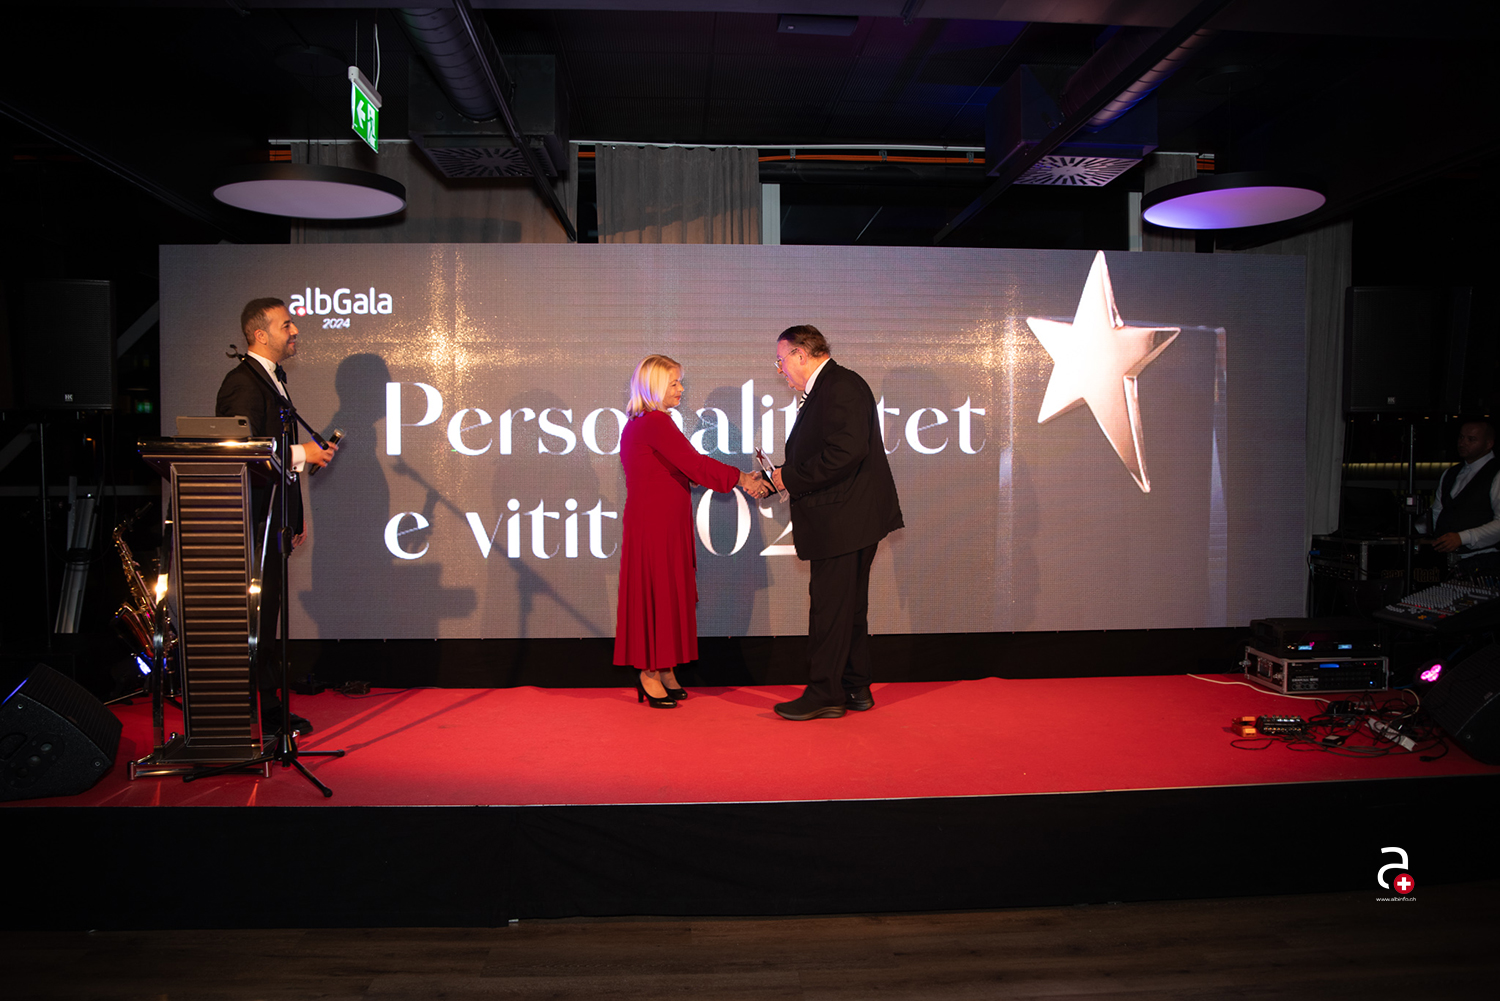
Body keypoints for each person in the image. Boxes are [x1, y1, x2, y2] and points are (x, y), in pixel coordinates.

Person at [614, 354, 768, 707]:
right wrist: (742, 478)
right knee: (658, 593)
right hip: (655, 525)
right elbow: (694, 464)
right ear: (654, 387)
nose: (681, 389)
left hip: (665, 522)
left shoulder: (650, 422)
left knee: (670, 592)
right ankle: (649, 672)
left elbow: (679, 469)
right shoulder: (654, 422)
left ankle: (664, 666)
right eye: (674, 383)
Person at [216, 298, 338, 735]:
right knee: (258, 615)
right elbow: (242, 453)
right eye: (286, 325)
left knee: (268, 613)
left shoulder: (271, 379)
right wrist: (304, 452)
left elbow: (275, 457)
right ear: (259, 334)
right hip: (252, 521)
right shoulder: (243, 383)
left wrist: (294, 514)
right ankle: (262, 710)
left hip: (273, 517)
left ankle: (267, 706)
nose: (295, 331)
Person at [769, 325, 903, 720]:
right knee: (848, 608)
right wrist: (782, 476)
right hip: (848, 518)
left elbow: (845, 452)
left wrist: (789, 477)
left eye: (781, 360)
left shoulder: (839, 386)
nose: (780, 370)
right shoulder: (835, 385)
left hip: (843, 519)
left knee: (830, 609)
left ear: (801, 354)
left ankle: (825, 694)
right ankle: (855, 686)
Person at [1429, 419, 1500, 575]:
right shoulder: (1450, 473)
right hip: (1448, 561)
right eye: (1461, 437)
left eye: (1471, 439)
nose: (1463, 443)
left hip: (1486, 561)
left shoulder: (1496, 472)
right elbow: (1437, 513)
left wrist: (1462, 538)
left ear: (1488, 444)